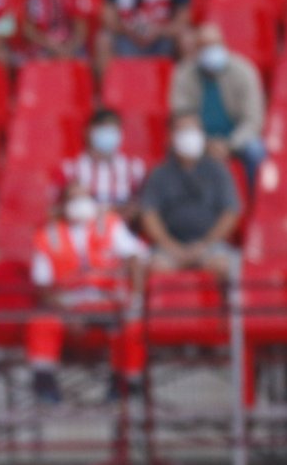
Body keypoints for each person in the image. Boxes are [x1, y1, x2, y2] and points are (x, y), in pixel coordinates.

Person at [29, 182, 147, 403]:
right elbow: (42, 286)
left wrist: (136, 298)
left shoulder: (110, 225)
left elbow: (136, 257)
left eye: (84, 198)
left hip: (107, 300)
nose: (80, 204)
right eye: (73, 199)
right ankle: (44, 385)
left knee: (131, 323)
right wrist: (68, 312)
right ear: (62, 205)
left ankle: (124, 383)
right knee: (42, 321)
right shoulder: (47, 235)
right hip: (69, 302)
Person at [141, 112, 242, 277]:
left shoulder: (217, 170)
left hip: (210, 245)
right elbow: (149, 215)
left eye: (193, 130)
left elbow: (230, 212)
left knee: (222, 265)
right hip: (170, 246)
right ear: (171, 137)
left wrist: (205, 244)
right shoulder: (159, 174)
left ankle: (226, 303)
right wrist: (171, 247)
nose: (189, 136)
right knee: (157, 267)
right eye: (183, 130)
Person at [169, 22, 267, 185]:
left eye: (214, 45)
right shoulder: (184, 74)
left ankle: (255, 202)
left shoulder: (245, 71)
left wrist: (229, 145)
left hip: (236, 140)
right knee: (178, 147)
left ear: (224, 45)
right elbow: (182, 115)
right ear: (196, 51)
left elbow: (253, 121)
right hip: (201, 140)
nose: (210, 51)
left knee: (255, 150)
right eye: (204, 47)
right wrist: (205, 143)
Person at [60, 109, 147, 223]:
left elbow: (145, 208)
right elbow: (54, 212)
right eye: (103, 128)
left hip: (123, 234)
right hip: (86, 235)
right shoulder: (71, 169)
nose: (108, 134)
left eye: (113, 129)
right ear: (88, 131)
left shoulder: (134, 168)